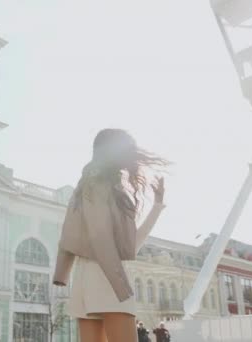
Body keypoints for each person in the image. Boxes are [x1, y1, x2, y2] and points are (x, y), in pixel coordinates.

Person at [53, 129, 168, 342]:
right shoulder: (100, 185)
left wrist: (157, 206)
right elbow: (101, 237)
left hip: (86, 279)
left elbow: (128, 247)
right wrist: (121, 285)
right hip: (108, 277)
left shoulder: (89, 185)